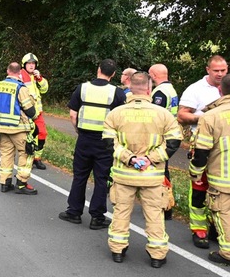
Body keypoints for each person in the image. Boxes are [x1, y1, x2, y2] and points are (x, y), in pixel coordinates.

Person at [103, 71, 182, 268]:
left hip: (123, 175)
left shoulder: (115, 113)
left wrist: (130, 159)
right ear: (149, 89)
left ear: (130, 87)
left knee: (121, 212)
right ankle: (157, 255)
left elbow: (108, 143)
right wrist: (150, 159)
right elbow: (173, 142)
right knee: (154, 214)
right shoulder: (163, 114)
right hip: (152, 176)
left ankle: (117, 250)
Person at [59, 59, 126, 229]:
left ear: (98, 70)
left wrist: (78, 131)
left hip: (84, 139)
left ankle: (74, 212)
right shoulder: (117, 93)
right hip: (105, 142)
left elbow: (73, 114)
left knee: (80, 175)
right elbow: (121, 119)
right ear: (113, 74)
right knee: (101, 179)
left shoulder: (83, 88)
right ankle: (97, 217)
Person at [178, 55, 228, 248]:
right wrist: (205, 118)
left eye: (223, 70)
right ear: (208, 69)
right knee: (199, 189)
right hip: (201, 146)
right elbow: (181, 115)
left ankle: (219, 228)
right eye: (216, 70)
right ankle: (199, 230)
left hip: (225, 150)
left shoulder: (228, 86)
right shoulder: (196, 89)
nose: (220, 74)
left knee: (223, 191)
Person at [190, 74, 230, 265]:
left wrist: (195, 172)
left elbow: (201, 151)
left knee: (223, 212)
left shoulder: (211, 116)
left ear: (220, 90)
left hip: (222, 176)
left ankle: (227, 252)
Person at [0, 62, 39, 195]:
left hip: (1, 127)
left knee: (6, 154)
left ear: (7, 71)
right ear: (19, 73)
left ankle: (5, 183)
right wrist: (35, 116)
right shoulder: (20, 87)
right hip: (18, 128)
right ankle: (21, 183)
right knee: (27, 154)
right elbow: (30, 110)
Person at [148, 63, 181, 220]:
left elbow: (154, 115)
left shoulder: (160, 92)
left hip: (160, 136)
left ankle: (164, 206)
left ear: (154, 75)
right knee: (163, 170)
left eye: (150, 75)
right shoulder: (171, 89)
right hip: (169, 133)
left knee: (160, 171)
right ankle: (166, 204)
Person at [20, 53, 50, 170]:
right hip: (25, 113)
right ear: (24, 65)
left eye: (33, 63)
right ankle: (28, 159)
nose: (32, 66)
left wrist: (40, 78)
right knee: (27, 137)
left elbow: (45, 89)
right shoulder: (21, 75)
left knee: (42, 133)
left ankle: (37, 159)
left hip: (37, 113)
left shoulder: (35, 77)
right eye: (29, 63)